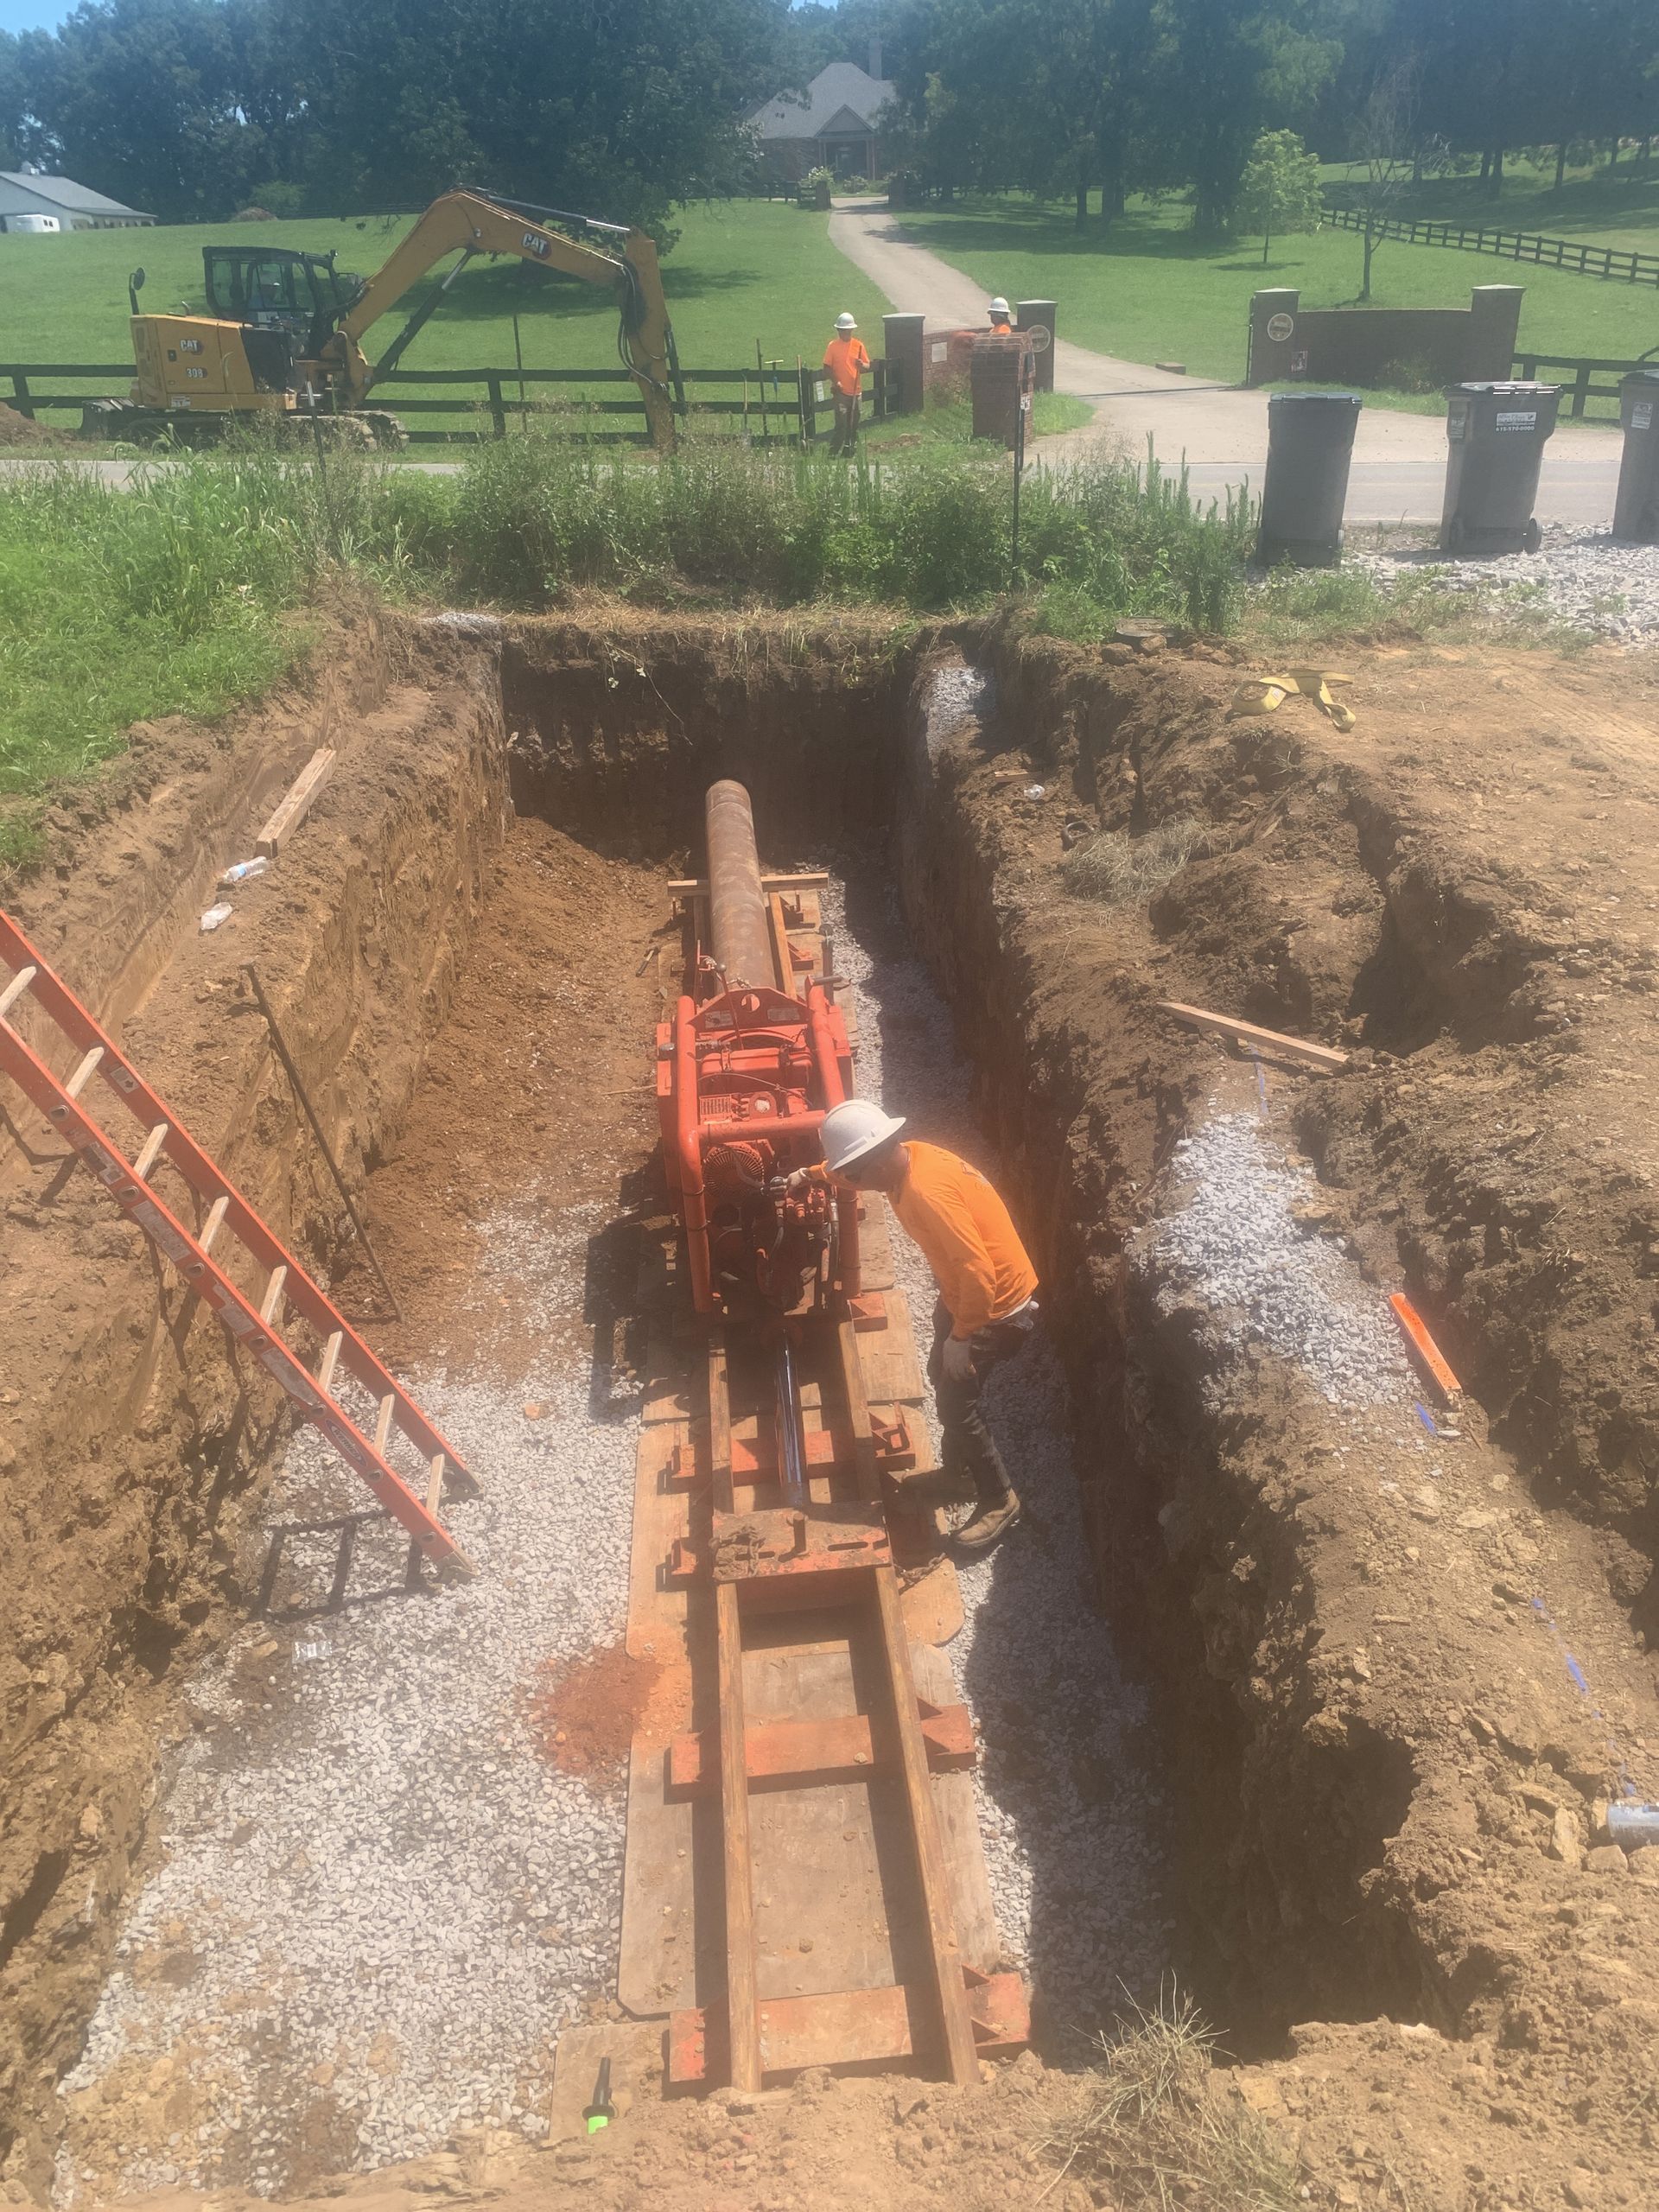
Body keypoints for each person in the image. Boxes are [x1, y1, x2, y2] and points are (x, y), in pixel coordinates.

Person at [804, 1099, 1037, 1549]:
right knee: (943, 1380)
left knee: (957, 1405)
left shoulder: (927, 1193)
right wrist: (812, 1175)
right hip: (963, 1295)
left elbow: (980, 1276)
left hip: (995, 1306)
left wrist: (962, 1338)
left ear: (876, 1158)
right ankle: (960, 1473)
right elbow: (849, 1169)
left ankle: (997, 1497)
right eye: (847, 1174)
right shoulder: (905, 1158)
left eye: (854, 1176)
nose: (853, 1184)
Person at [823, 312, 871, 456]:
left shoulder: (859, 345)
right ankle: (833, 452)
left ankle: (849, 451)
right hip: (840, 393)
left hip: (856, 392)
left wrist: (862, 364)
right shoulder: (833, 346)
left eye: (848, 330)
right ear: (839, 331)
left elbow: (867, 366)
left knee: (853, 424)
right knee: (842, 424)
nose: (845, 333)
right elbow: (826, 367)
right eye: (843, 331)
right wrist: (835, 381)